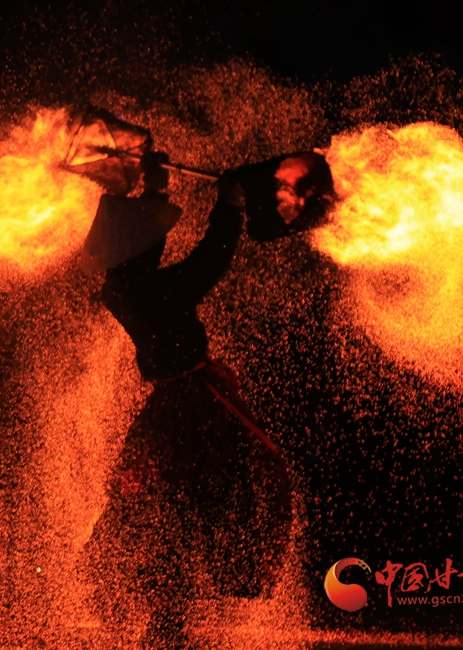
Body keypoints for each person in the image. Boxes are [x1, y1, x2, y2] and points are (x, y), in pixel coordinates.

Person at [82, 150, 334, 649]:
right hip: (195, 408)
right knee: (228, 486)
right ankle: (190, 600)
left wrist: (156, 190)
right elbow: (210, 259)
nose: (150, 247)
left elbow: (143, 248)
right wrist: (230, 205)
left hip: (170, 410)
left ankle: (165, 612)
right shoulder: (154, 291)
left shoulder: (122, 286)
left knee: (165, 503)